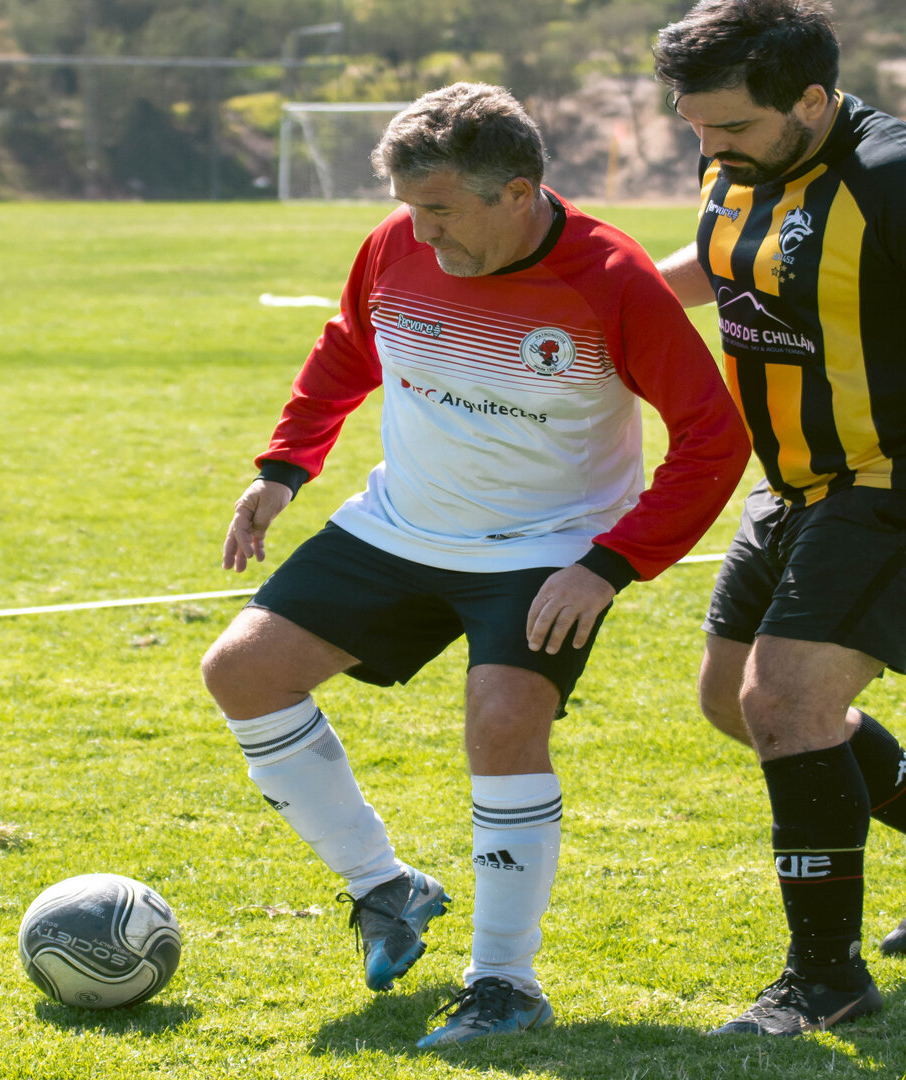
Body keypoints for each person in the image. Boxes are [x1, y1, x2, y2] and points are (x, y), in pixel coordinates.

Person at [200, 82, 750, 1047]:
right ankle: (385, 888)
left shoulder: (613, 279)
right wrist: (285, 467)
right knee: (241, 671)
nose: (422, 231)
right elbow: (350, 346)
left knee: (502, 723)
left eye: (442, 210)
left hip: (546, 549)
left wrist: (609, 565)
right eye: (411, 207)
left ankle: (504, 983)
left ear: (518, 193)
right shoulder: (397, 245)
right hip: (402, 525)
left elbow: (712, 437)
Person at [650, 0, 906, 1037]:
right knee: (734, 702)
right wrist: (612, 300)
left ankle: (826, 979)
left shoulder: (902, 179)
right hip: (795, 481)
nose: (710, 147)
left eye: (730, 126)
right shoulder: (742, 156)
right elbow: (728, 261)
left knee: (786, 699)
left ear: (813, 99)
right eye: (696, 126)